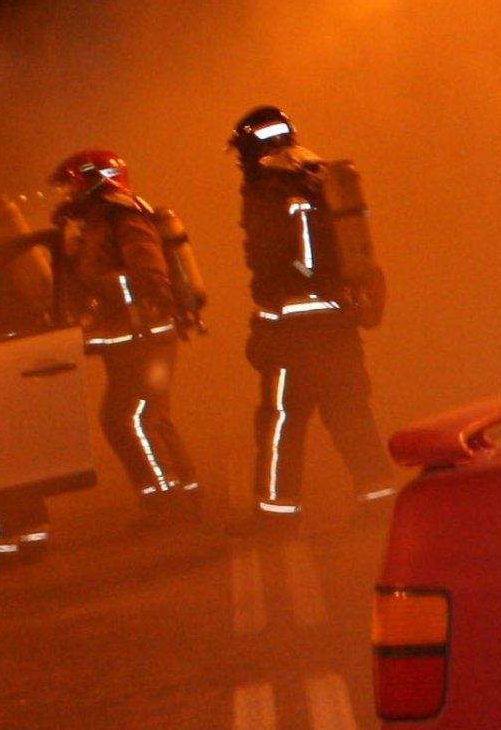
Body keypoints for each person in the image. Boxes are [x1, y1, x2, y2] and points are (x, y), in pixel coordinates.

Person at [230, 106, 388, 518]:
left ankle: (275, 515)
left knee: (281, 421)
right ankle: (379, 501)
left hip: (294, 335)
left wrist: (273, 308)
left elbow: (294, 262)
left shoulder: (272, 188)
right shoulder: (319, 176)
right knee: (350, 413)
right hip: (338, 322)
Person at [45, 149, 205, 510]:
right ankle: (185, 492)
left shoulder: (124, 216)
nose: (68, 195)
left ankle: (165, 499)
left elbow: (148, 272)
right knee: (151, 418)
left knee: (127, 419)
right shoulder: (98, 222)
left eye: (72, 186)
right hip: (132, 338)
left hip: (146, 336)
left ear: (93, 181)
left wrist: (111, 296)